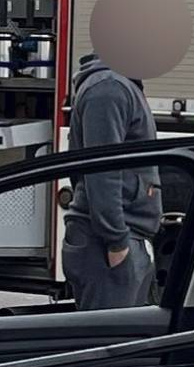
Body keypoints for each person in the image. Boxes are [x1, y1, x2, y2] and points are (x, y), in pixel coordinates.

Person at [62, 51, 161, 310]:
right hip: (108, 244)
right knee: (108, 336)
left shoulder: (119, 84)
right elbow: (102, 172)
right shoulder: (109, 87)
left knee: (123, 333)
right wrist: (116, 242)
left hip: (119, 237)